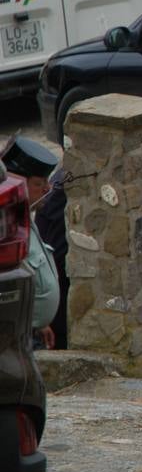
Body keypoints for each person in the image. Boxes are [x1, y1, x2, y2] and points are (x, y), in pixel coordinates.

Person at [3, 137, 61, 349]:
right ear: (17, 182)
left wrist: (41, 322)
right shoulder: (7, 227)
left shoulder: (25, 215)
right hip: (15, 338)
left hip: (32, 332)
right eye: (39, 183)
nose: (47, 188)